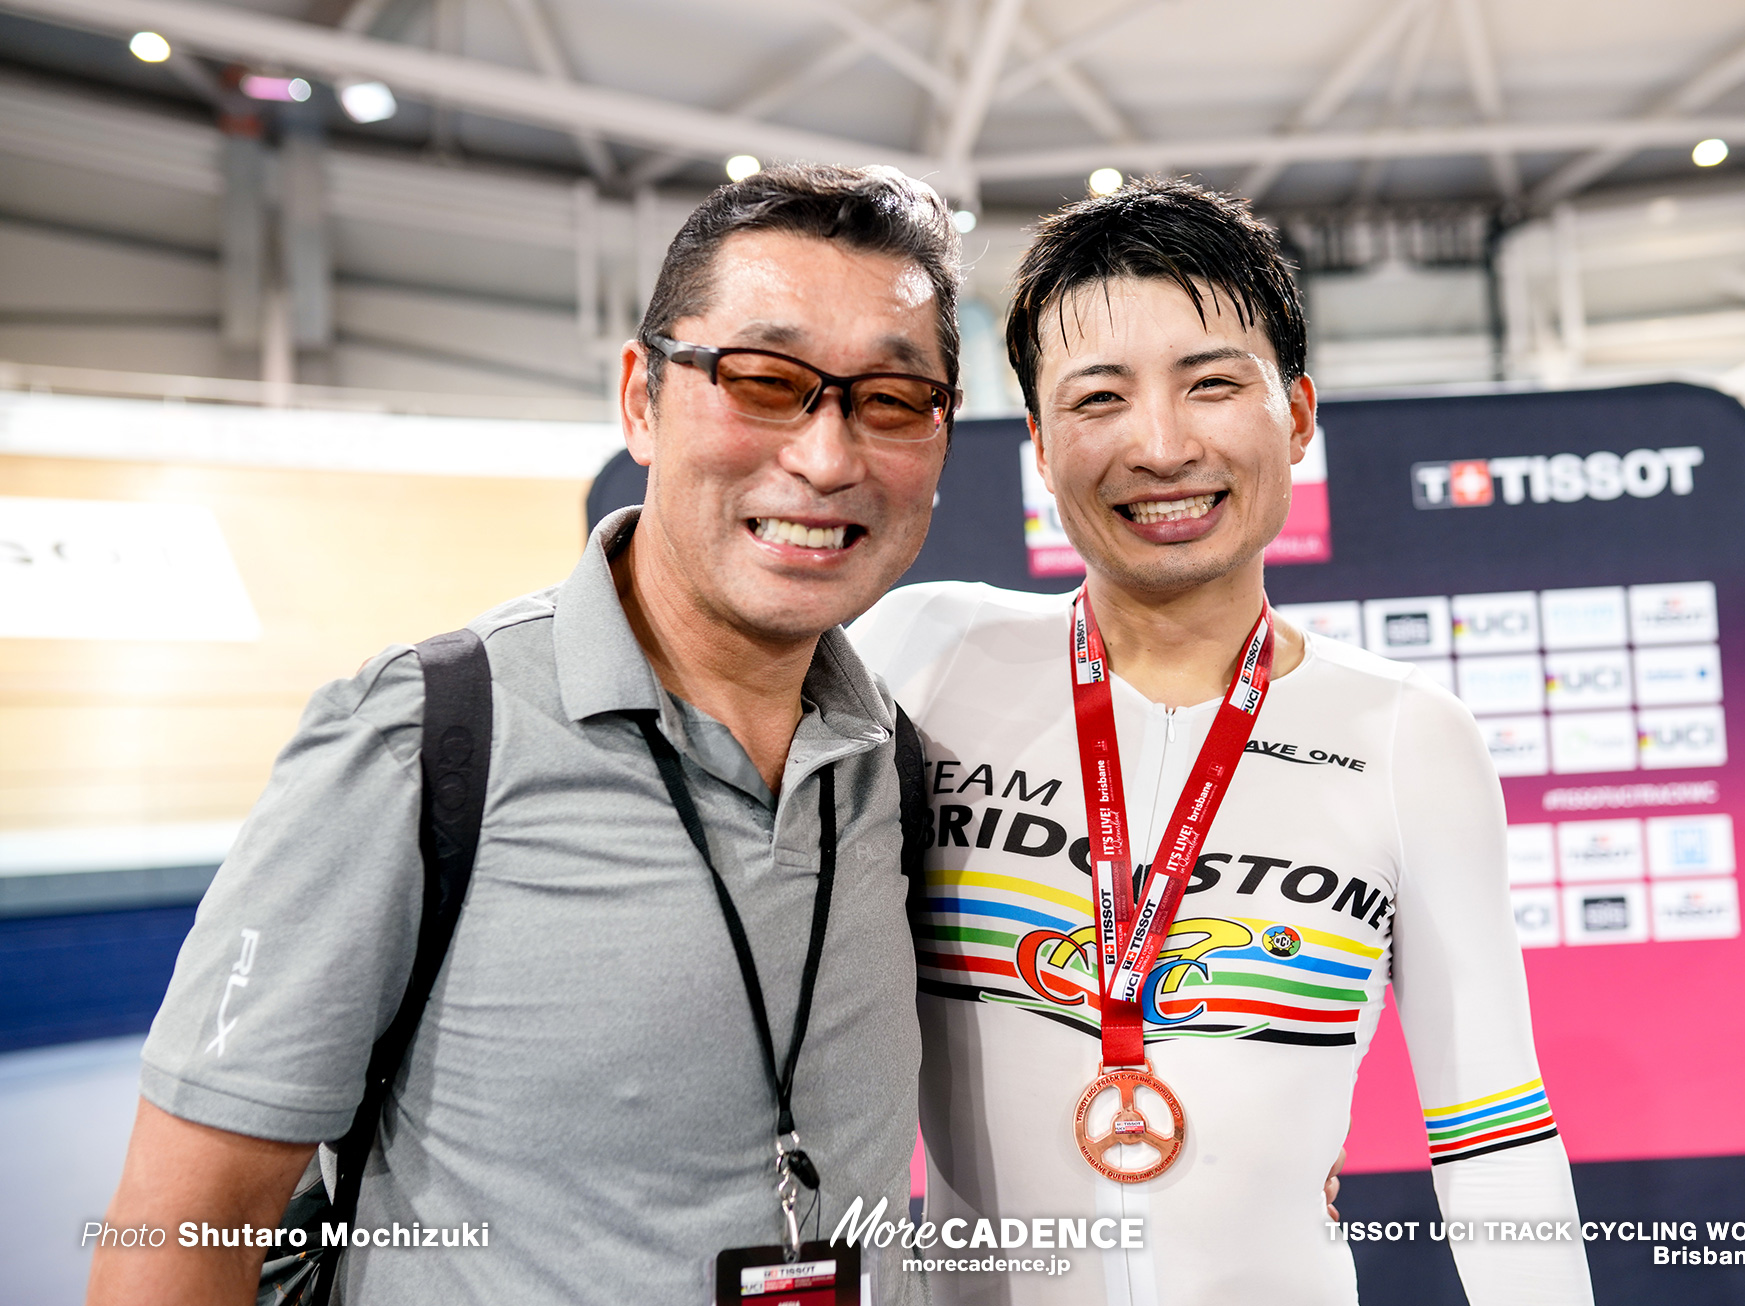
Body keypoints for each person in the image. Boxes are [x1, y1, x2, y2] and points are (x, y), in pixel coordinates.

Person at [87, 162, 964, 1306]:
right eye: (762, 378)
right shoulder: (422, 738)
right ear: (641, 399)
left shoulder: (889, 761)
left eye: (890, 400)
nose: (827, 455)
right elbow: (176, 1240)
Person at [849, 179, 1593, 1304]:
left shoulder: (1407, 739)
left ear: (1294, 415)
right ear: (1040, 447)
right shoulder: (923, 651)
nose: (1159, 445)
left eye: (1210, 384)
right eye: (1097, 398)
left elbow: (1494, 1135)